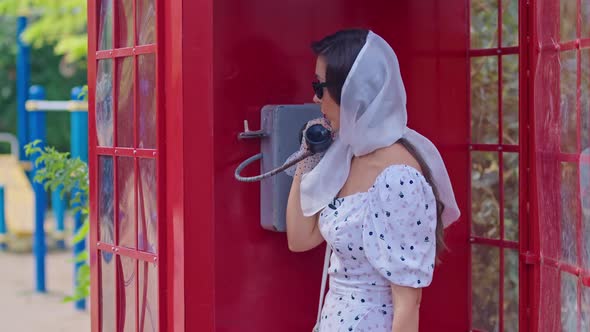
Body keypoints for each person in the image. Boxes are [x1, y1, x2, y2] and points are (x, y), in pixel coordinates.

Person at [285, 29, 460, 332]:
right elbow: (299, 239)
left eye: (320, 86)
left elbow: (408, 303)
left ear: (353, 92)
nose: (314, 97)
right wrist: (309, 153)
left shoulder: (398, 178)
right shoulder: (346, 155)